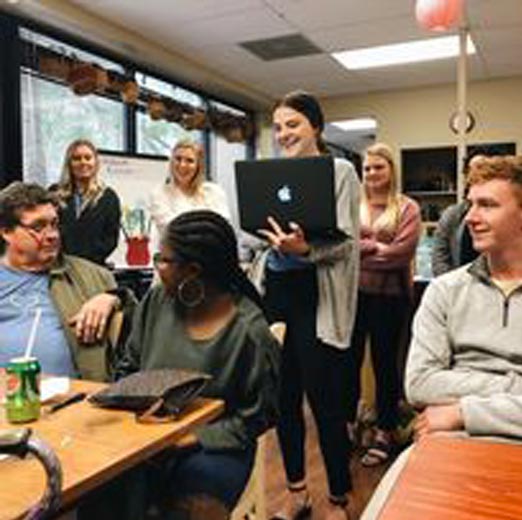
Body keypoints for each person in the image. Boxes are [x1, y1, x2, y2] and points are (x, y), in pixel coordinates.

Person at [360, 155, 522, 520]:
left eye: (488, 205)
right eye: (471, 203)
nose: (470, 218)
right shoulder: (445, 291)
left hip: (455, 419)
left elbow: (440, 393)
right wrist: (515, 387)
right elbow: (419, 385)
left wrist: (464, 411)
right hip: (449, 441)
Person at [115, 210, 280, 520]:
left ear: (192, 270)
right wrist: (137, 416)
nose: (157, 267)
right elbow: (128, 369)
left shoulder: (248, 331)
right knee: (105, 492)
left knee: (188, 508)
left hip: (216, 446)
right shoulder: (155, 303)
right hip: (146, 435)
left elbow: (260, 416)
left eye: (163, 260)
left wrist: (191, 438)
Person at [256, 91, 360, 520]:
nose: (284, 134)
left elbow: (347, 241)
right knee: (284, 399)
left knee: (324, 401)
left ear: (316, 126)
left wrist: (303, 250)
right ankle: (297, 493)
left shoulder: (339, 171)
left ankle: (338, 498)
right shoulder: (271, 174)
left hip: (317, 295)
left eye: (293, 124)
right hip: (278, 291)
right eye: (278, 127)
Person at [0, 182, 133, 381]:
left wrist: (114, 297)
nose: (52, 235)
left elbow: (141, 331)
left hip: (76, 401)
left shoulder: (92, 275)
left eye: (54, 224)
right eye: (38, 227)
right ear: (6, 232)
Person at [347, 143, 421, 466]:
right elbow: (343, 247)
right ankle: (349, 423)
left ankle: (385, 430)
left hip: (390, 299)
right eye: (367, 168)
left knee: (384, 364)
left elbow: (401, 255)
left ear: (391, 170)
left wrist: (360, 252)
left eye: (379, 167)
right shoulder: (352, 205)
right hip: (352, 297)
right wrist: (375, 248)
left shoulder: (407, 208)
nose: (372, 173)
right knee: (347, 362)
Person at [53, 139, 121, 266]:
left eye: (88, 158)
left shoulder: (109, 197)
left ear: (95, 162)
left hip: (93, 269)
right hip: (59, 267)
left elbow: (110, 240)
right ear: (69, 163)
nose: (83, 162)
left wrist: (85, 262)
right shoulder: (54, 194)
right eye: (77, 158)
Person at [149, 139, 231, 240]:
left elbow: (222, 227)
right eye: (178, 159)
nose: (182, 165)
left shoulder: (215, 192)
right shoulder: (159, 193)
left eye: (189, 160)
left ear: (198, 166)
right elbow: (171, 229)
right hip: (176, 254)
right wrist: (206, 226)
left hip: (211, 253)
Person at [430, 154, 484, 276]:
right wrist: (452, 290)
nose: (476, 176)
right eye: (471, 171)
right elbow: (440, 258)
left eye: (482, 169)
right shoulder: (453, 215)